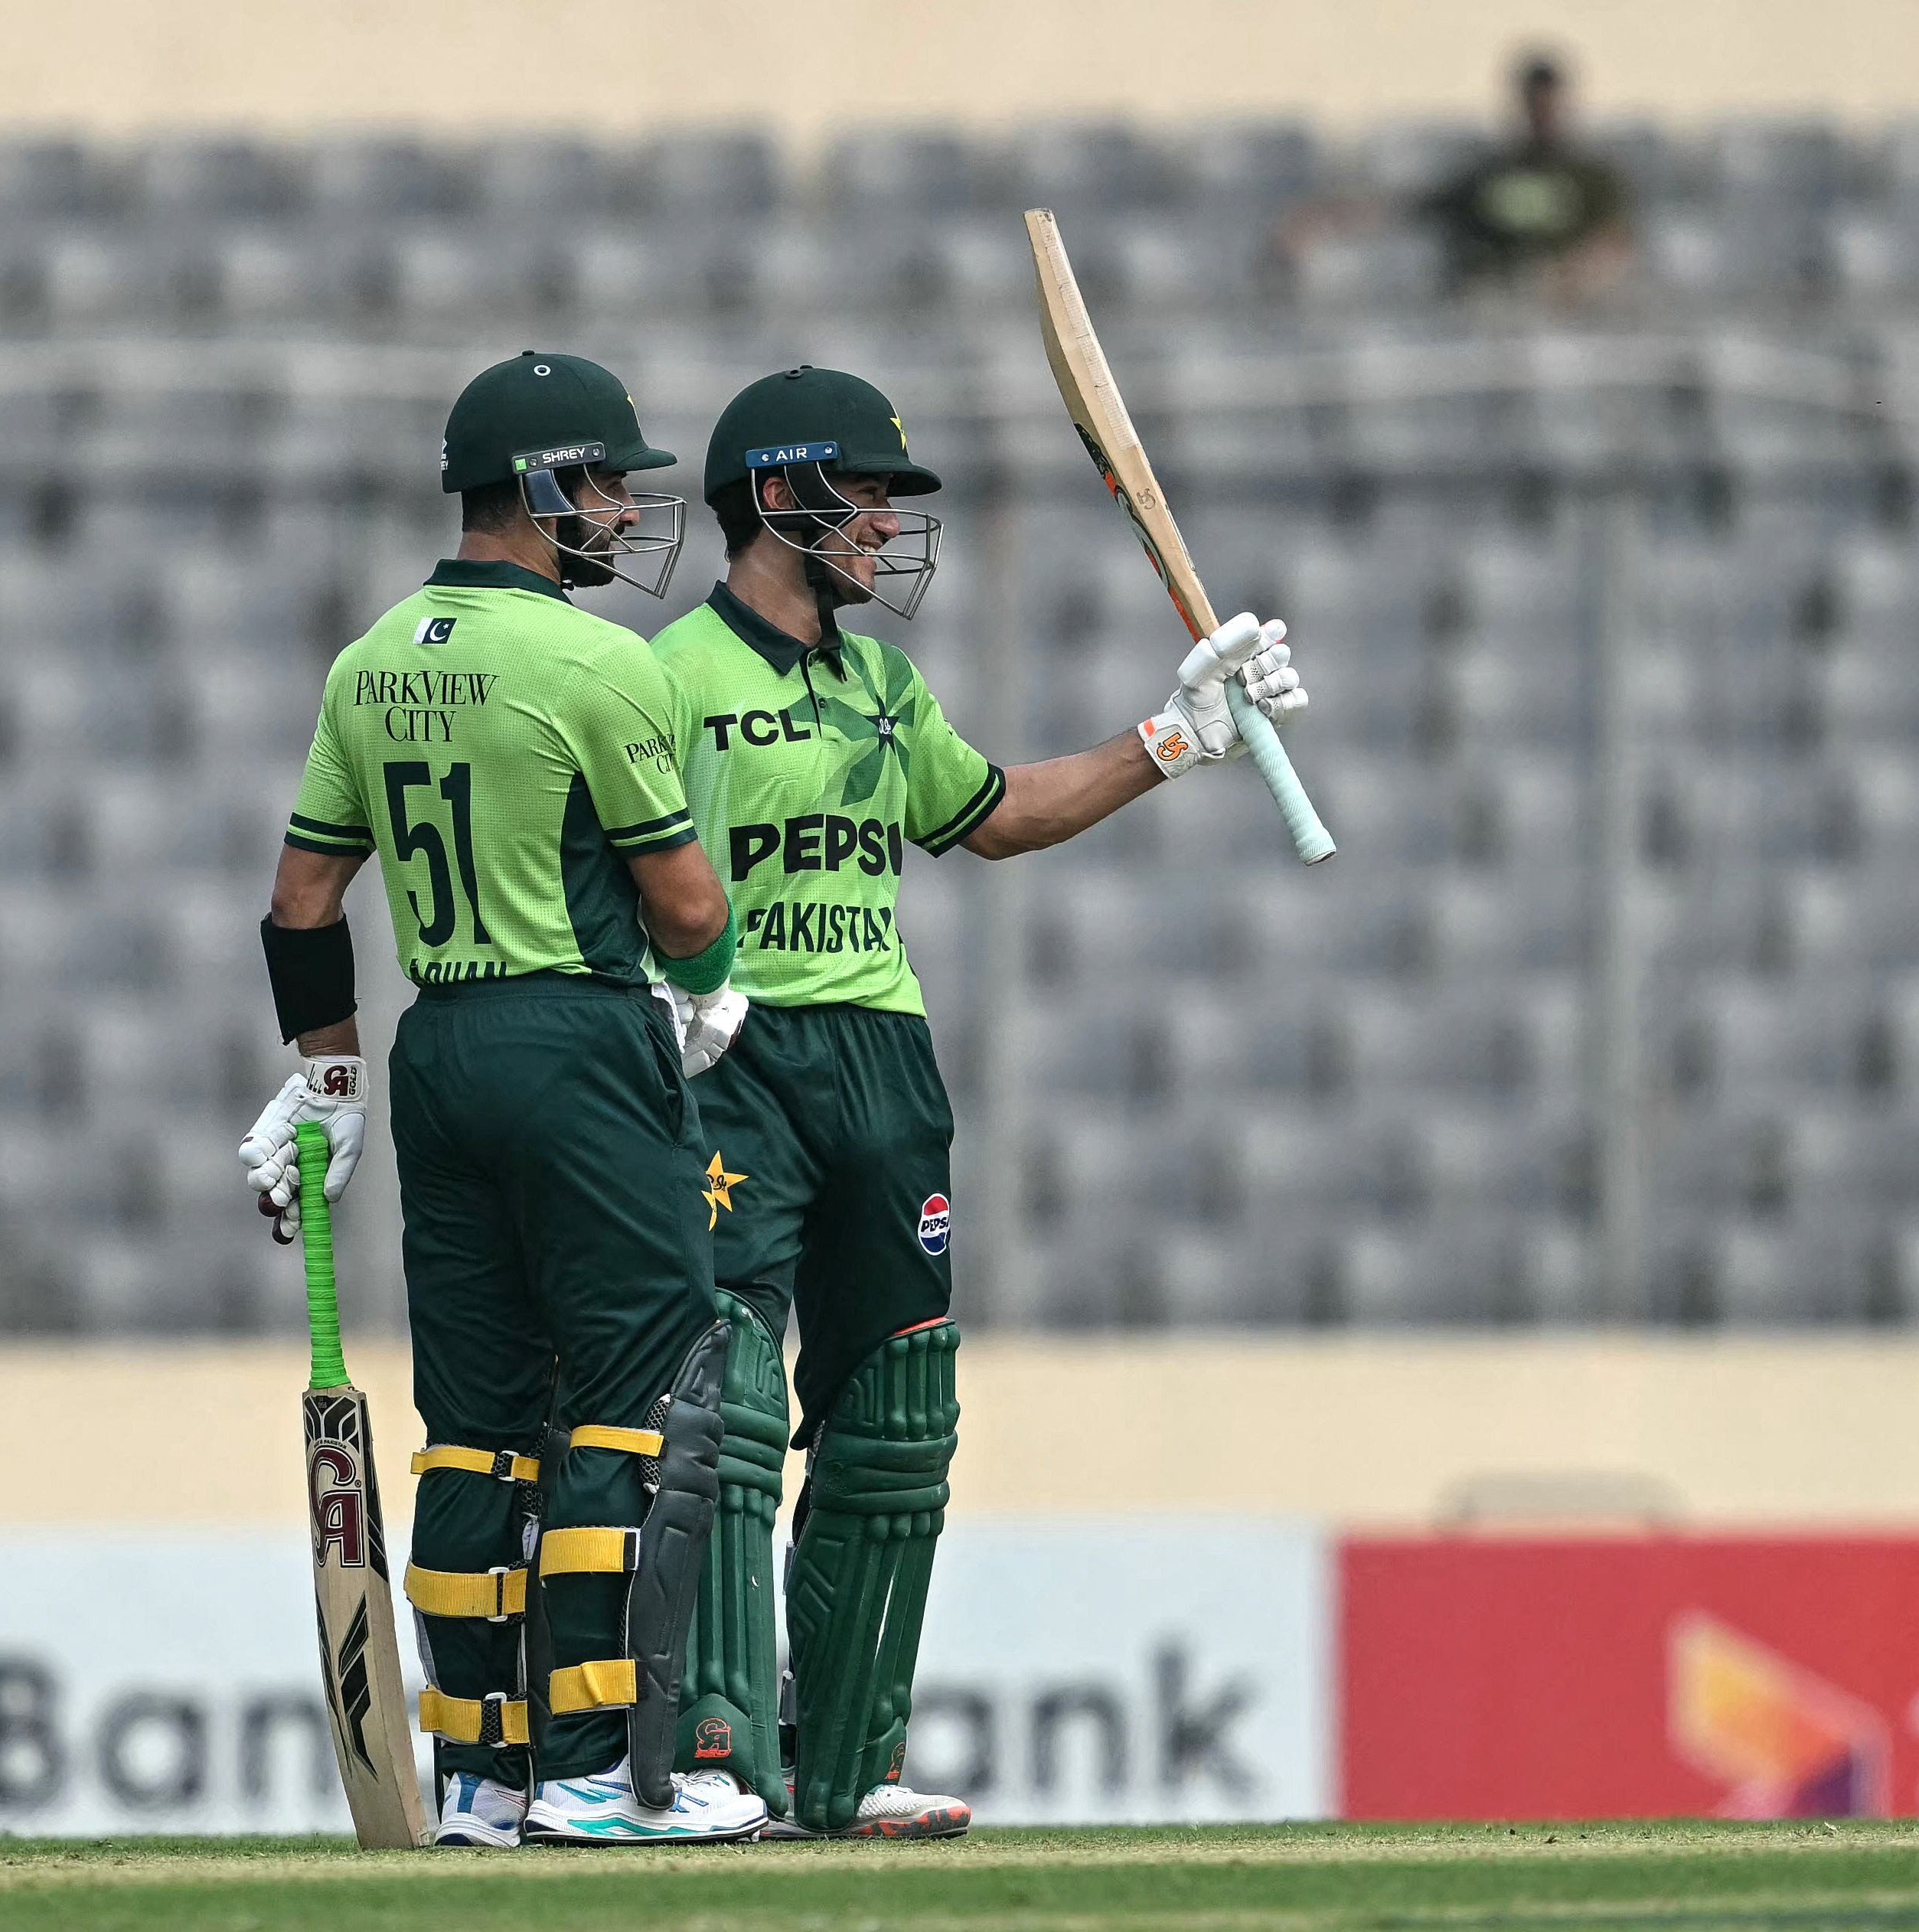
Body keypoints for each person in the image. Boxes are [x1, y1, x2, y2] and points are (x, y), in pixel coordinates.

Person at [645, 364, 1306, 1838]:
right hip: (728, 1052)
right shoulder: (670, 675)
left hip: (880, 1057)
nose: (886, 524)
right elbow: (605, 853)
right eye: (864, 495)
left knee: (896, 1412)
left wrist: (1171, 738)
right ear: (776, 498)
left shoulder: (883, 685)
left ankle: (847, 1762)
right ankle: (711, 1753)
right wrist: (650, 985)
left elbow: (992, 814)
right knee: (726, 1397)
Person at [237, 350, 761, 1849]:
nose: (619, 508)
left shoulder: (369, 659)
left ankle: (481, 1772)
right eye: (605, 482)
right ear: (540, 488)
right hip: (576, 1040)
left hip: (438, 1048)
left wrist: (326, 1075)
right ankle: (604, 1765)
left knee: (470, 1428)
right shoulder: (602, 663)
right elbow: (680, 892)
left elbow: (300, 897)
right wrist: (709, 980)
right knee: (634, 1400)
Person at [1421, 50, 1633, 299]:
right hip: (1501, 300)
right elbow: (1436, 210)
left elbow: (1616, 239)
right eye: (1535, 107)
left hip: (1568, 301)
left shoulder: (1590, 179)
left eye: (1549, 107)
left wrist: (1576, 272)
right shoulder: (1488, 177)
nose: (1542, 118)